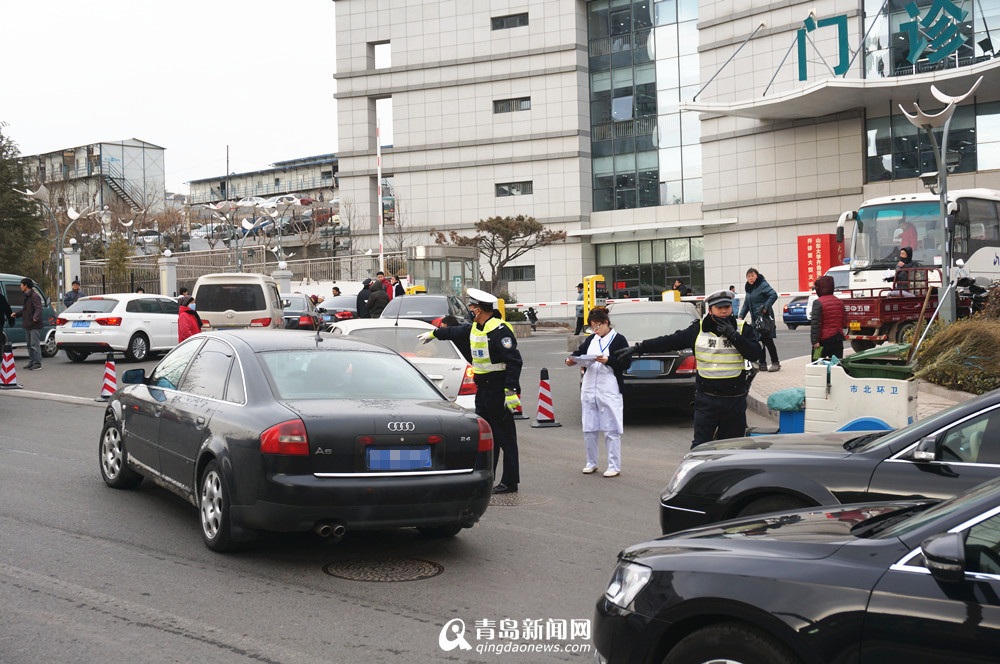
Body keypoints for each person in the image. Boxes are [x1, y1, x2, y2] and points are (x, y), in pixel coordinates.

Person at [616, 289, 762, 448]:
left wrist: (733, 335)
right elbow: (669, 341)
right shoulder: (697, 330)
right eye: (719, 307)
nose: (724, 311)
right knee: (701, 446)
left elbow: (754, 353)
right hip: (707, 399)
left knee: (733, 447)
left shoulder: (742, 328)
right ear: (711, 309)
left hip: (734, 399)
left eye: (727, 306)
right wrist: (639, 348)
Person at [419, 288, 523, 493]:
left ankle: (510, 481)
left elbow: (514, 362)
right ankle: (487, 477)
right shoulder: (476, 327)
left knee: (506, 438)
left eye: (473, 307)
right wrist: (434, 333)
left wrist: (511, 391)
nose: (470, 310)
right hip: (483, 391)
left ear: (481, 310)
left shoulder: (500, 331)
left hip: (498, 390)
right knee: (486, 437)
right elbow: (454, 331)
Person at [566, 307, 630, 477]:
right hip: (589, 388)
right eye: (592, 326)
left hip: (609, 387)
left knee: (611, 428)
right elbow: (578, 353)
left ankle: (614, 465)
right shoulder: (591, 340)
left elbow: (626, 363)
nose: (595, 329)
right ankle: (591, 462)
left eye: (597, 325)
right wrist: (571, 360)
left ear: (606, 322)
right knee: (589, 427)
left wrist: (609, 360)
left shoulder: (619, 339)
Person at [739, 267, 780, 372]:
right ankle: (762, 363)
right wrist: (740, 317)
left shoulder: (762, 285)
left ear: (757, 276)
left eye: (752, 276)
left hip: (764, 318)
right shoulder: (749, 289)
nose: (751, 278)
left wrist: (766, 307)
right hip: (756, 319)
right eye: (748, 276)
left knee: (767, 340)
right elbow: (746, 305)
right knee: (758, 341)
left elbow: (773, 295)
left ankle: (775, 362)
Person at [809, 275, 846, 359]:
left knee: (816, 365)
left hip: (822, 341)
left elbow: (816, 324)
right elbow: (844, 322)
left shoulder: (818, 303)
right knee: (836, 365)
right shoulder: (839, 302)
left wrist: (815, 341)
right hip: (837, 339)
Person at [11, 278, 43, 370]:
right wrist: (16, 314)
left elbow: (38, 308)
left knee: (34, 344)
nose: (20, 286)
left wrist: (35, 317)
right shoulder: (27, 296)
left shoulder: (34, 296)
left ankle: (37, 363)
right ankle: (32, 361)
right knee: (29, 345)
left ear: (26, 286)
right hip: (28, 324)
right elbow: (25, 310)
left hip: (34, 324)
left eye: (21, 285)